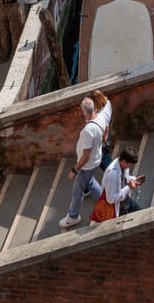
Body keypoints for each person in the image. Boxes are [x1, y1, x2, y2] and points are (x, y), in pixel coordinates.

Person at [59, 97, 106, 229]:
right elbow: (105, 133)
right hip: (96, 160)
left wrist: (74, 170)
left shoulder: (88, 131)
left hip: (86, 166)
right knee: (90, 182)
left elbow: (85, 156)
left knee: (77, 192)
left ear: (85, 112)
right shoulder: (100, 118)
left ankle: (73, 216)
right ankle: (105, 202)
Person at [96, 146, 146, 220]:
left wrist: (134, 179)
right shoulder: (112, 176)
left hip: (125, 200)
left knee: (142, 215)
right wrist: (129, 187)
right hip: (117, 208)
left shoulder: (122, 164)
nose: (130, 167)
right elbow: (111, 199)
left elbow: (125, 177)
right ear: (124, 161)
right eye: (130, 165)